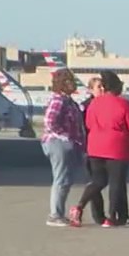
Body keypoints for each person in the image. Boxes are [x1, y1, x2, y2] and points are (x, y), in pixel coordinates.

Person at [69, 71, 129, 227]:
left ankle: (80, 205)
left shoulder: (94, 103)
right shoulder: (124, 104)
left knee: (98, 181)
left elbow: (88, 124)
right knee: (116, 183)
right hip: (118, 148)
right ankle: (113, 216)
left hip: (95, 147)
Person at [40, 69, 87, 227]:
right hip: (58, 143)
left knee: (65, 179)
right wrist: (64, 135)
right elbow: (49, 121)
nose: (73, 83)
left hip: (68, 143)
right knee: (61, 178)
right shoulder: (59, 100)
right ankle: (55, 214)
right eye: (69, 81)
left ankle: (57, 212)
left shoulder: (69, 101)